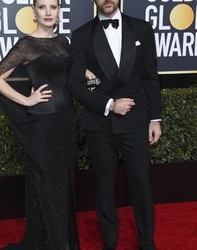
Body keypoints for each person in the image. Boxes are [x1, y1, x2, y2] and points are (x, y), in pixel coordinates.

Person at [0, 0, 93, 249]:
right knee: (46, 185)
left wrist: (87, 76)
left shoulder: (65, 43)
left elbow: (67, 76)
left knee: (65, 183)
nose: (48, 12)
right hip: (42, 126)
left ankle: (64, 241)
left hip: (67, 122)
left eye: (53, 7)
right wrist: (27, 99)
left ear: (59, 11)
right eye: (42, 7)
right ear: (34, 12)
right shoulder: (27, 45)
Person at [69, 0, 162, 249]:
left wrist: (155, 118)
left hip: (136, 122)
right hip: (100, 123)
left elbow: (150, 76)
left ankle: (146, 243)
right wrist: (110, 104)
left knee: (142, 185)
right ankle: (109, 244)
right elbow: (76, 85)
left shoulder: (142, 29)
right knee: (104, 188)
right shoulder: (81, 35)